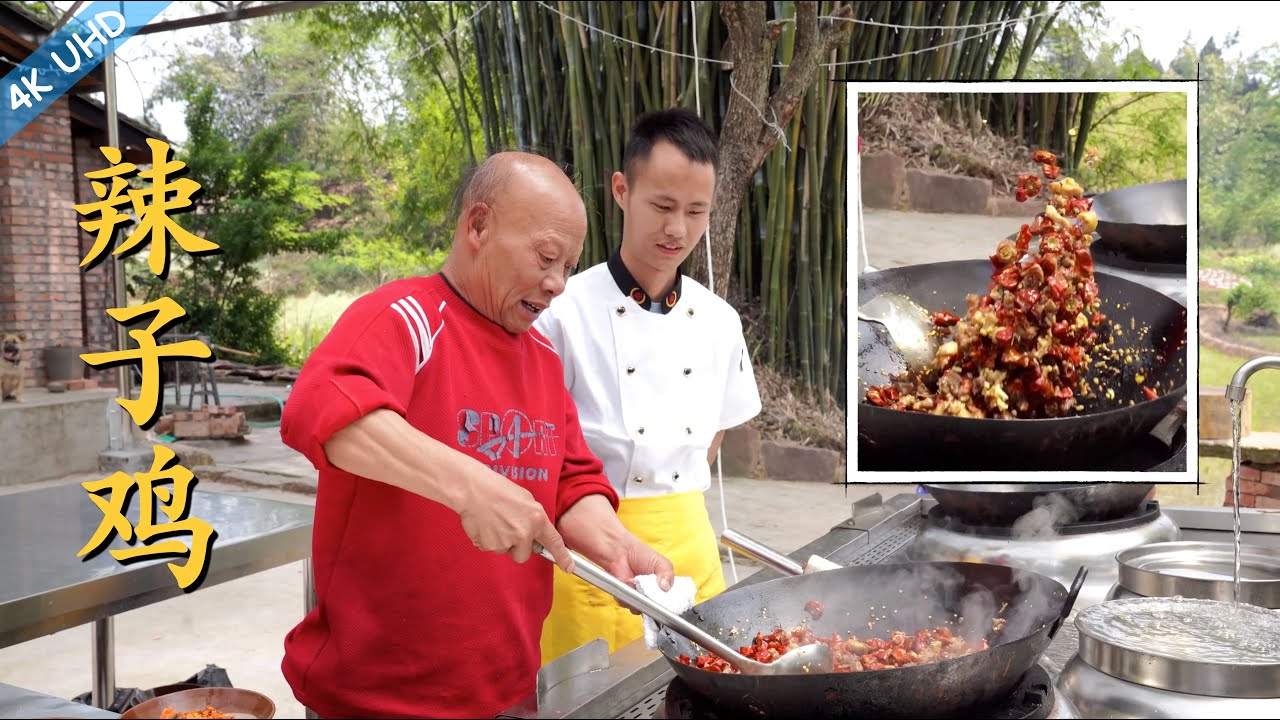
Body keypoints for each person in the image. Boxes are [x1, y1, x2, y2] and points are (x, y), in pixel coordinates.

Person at [277, 151, 675, 719]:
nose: (558, 283)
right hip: (374, 702)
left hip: (508, 691)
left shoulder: (540, 358)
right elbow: (321, 409)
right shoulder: (404, 317)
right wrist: (473, 488)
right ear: (479, 226)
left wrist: (615, 548)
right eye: (546, 257)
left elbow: (567, 482)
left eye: (569, 265)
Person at [535, 108, 762, 664]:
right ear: (621, 190)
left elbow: (714, 436)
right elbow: (542, 446)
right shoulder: (561, 312)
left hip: (691, 545)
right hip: (591, 552)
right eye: (661, 206)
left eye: (694, 212)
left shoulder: (719, 320)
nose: (676, 229)